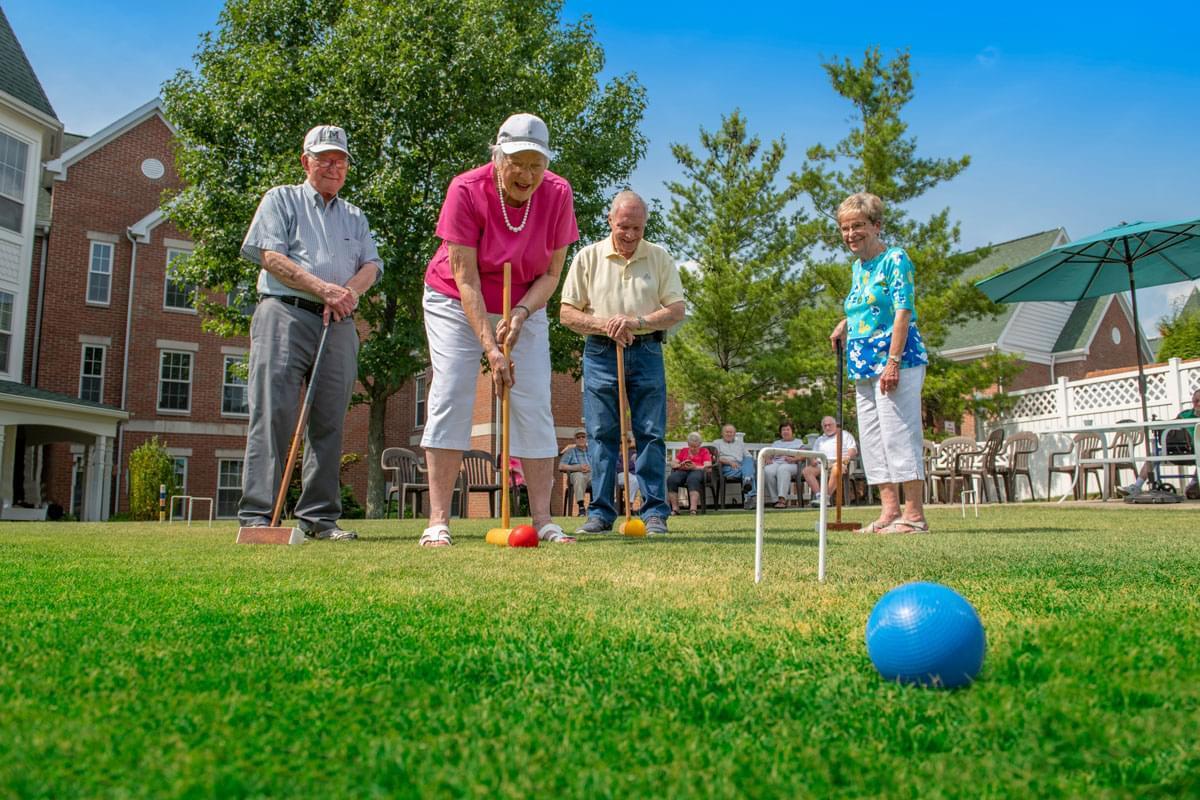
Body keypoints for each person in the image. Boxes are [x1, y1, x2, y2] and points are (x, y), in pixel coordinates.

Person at [419, 113, 579, 547]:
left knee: (533, 400)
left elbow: (551, 274)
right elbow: (465, 278)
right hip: (455, 298)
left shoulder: (558, 193)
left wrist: (523, 313)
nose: (527, 175)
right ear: (498, 156)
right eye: (517, 163)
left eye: (536, 165)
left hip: (523, 300)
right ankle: (438, 522)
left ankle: (544, 520)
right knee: (452, 390)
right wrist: (491, 348)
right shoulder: (466, 189)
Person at [238, 125, 382, 540]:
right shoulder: (280, 199)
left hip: (338, 323)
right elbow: (269, 256)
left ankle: (319, 519)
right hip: (284, 314)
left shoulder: (355, 215)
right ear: (306, 162)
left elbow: (371, 265)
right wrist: (322, 289)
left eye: (340, 160)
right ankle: (258, 518)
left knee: (329, 422)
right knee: (273, 416)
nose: (333, 167)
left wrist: (345, 295)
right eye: (324, 159)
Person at [560, 190, 686, 535]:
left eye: (637, 228)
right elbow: (566, 312)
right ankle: (600, 513)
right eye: (623, 227)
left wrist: (636, 322)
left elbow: (676, 310)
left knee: (651, 432)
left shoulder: (659, 257)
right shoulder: (587, 257)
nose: (630, 235)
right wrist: (606, 324)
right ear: (610, 221)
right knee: (602, 434)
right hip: (600, 352)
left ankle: (655, 512)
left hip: (647, 351)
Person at [829, 192, 929, 533]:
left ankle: (914, 515)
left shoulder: (895, 259)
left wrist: (894, 362)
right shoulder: (858, 267)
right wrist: (846, 324)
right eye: (844, 228)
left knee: (899, 433)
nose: (850, 234)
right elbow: (866, 308)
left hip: (895, 358)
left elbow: (902, 310)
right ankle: (889, 512)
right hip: (862, 360)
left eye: (858, 226)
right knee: (872, 439)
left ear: (876, 226)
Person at [1119, 388, 1200, 499]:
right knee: (1153, 456)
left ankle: (1194, 484)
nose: (1198, 403)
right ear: (1192, 401)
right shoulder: (1184, 415)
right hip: (1179, 451)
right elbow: (1168, 426)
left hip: (1198, 452)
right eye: (1196, 400)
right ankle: (1136, 487)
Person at [802, 416, 859, 504]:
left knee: (836, 467)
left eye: (830, 425)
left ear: (836, 425)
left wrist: (847, 457)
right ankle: (819, 496)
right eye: (825, 426)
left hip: (842, 462)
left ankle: (826, 498)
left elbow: (853, 450)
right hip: (823, 463)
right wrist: (812, 459)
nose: (827, 427)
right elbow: (813, 454)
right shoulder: (820, 439)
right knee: (807, 471)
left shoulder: (844, 435)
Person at [667, 432, 713, 515]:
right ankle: (675, 509)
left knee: (693, 479)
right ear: (688, 444)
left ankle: (693, 509)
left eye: (695, 446)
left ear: (700, 444)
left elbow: (708, 466)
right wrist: (680, 465)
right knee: (671, 479)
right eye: (691, 446)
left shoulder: (704, 451)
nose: (693, 448)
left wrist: (695, 467)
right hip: (683, 471)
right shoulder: (683, 451)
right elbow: (673, 464)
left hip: (697, 471)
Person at [713, 423, 756, 509]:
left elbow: (748, 457)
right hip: (727, 467)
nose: (729, 434)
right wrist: (729, 462)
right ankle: (749, 493)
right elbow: (714, 458)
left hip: (740, 466)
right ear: (722, 433)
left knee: (749, 460)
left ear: (734, 434)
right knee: (751, 471)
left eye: (731, 432)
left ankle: (747, 479)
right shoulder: (716, 443)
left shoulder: (740, 444)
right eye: (727, 432)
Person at [763, 422, 803, 509]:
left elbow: (803, 456)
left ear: (792, 431)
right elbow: (768, 454)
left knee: (783, 469)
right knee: (767, 470)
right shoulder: (776, 443)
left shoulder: (798, 442)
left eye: (788, 429)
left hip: (792, 464)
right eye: (783, 430)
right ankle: (775, 500)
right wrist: (768, 459)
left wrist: (794, 459)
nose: (785, 432)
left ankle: (782, 499)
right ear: (780, 432)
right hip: (777, 463)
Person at [558, 430, 591, 516]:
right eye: (578, 437)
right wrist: (577, 467)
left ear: (587, 439)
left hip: (591, 475)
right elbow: (561, 466)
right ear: (575, 440)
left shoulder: (592, 451)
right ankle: (581, 507)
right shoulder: (570, 451)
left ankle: (594, 506)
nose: (581, 439)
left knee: (601, 477)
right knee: (579, 476)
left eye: (583, 437)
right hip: (576, 475)